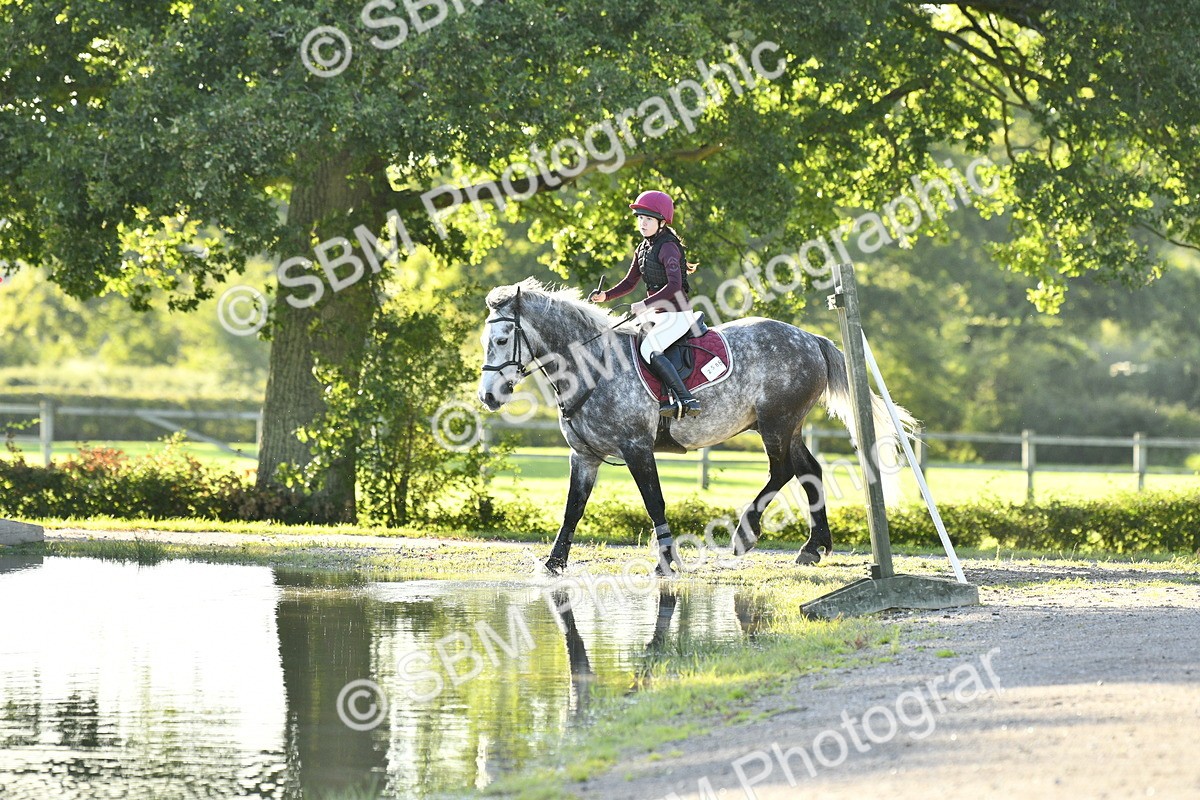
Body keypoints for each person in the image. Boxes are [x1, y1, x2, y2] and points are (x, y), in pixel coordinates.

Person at [591, 190, 701, 418]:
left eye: (648, 219)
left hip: (677, 314)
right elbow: (630, 282)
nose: (642, 223)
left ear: (661, 223)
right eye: (640, 218)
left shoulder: (668, 247)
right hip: (657, 314)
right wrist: (606, 296)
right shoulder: (643, 248)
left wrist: (645, 303)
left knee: (649, 348)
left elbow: (674, 286)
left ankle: (685, 398)